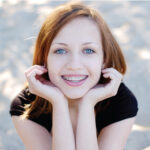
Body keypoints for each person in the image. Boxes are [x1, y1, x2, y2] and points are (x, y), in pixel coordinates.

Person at [9, 1, 138, 150]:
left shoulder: (121, 100)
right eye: (61, 51)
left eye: (88, 50)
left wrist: (88, 103)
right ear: (45, 59)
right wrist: (58, 102)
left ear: (104, 59)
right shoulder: (25, 106)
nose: (74, 65)